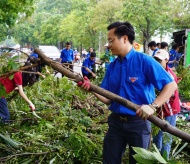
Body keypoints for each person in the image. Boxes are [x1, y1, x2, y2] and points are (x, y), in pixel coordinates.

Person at [77, 21, 177, 164]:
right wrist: (90, 88)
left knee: (138, 162)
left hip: (139, 124)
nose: (109, 45)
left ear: (124, 38)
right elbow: (108, 98)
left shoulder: (145, 61)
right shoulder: (112, 67)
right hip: (116, 123)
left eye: (111, 40)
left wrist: (152, 106)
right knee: (109, 160)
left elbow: (171, 85)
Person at [153, 49, 181, 159]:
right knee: (156, 136)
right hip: (158, 109)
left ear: (166, 60)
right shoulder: (155, 71)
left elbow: (168, 95)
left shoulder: (170, 76)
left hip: (170, 110)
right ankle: (156, 158)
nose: (157, 63)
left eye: (159, 61)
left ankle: (164, 159)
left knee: (166, 137)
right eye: (155, 60)